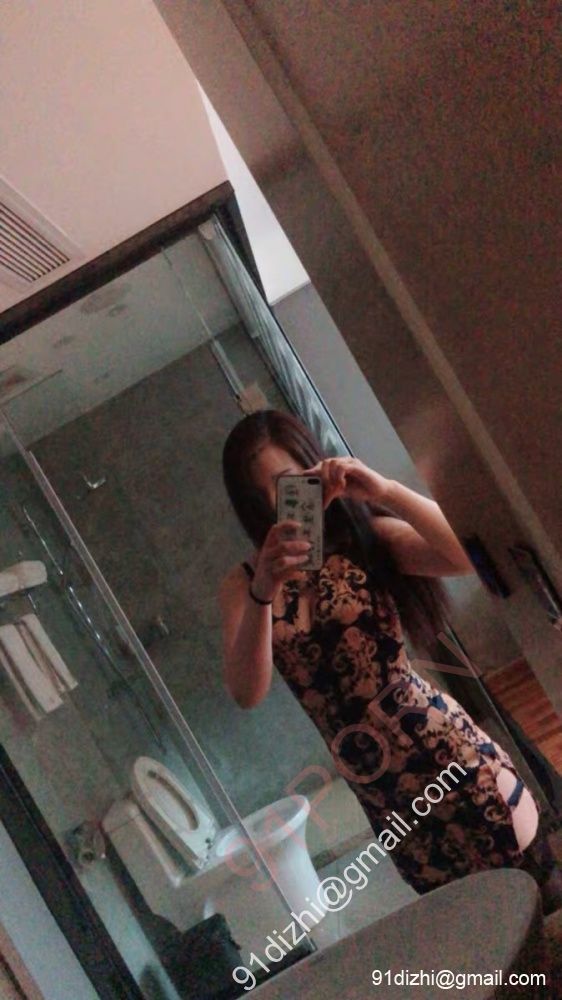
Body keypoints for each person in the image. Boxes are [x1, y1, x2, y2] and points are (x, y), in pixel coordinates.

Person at [219, 409, 559, 909]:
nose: (275, 502)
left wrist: (386, 492)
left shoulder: (364, 538)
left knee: (541, 892)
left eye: (288, 482)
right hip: (383, 792)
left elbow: (462, 557)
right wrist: (264, 590)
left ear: (313, 468)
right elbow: (247, 692)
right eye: (260, 493)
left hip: (447, 753)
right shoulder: (245, 585)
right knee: (479, 930)